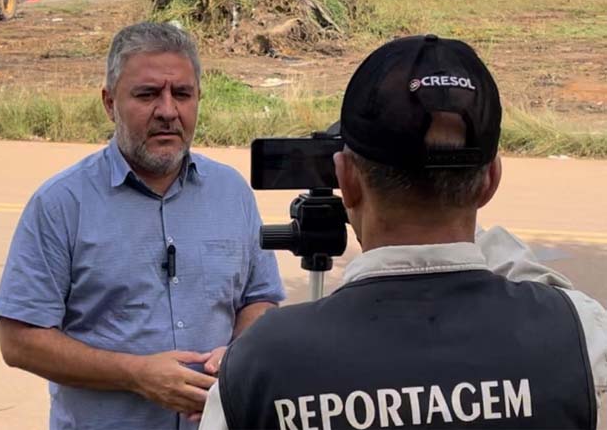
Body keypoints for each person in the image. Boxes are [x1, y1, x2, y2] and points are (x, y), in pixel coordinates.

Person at [199, 34, 607, 430]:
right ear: (491, 181)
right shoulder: (578, 335)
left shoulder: (258, 363)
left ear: (347, 179)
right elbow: (555, 300)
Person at [0, 21, 286, 429]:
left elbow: (260, 298)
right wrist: (135, 375)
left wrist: (233, 356)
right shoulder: (61, 204)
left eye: (182, 94)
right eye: (147, 95)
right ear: (109, 103)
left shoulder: (231, 192)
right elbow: (20, 342)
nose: (167, 111)